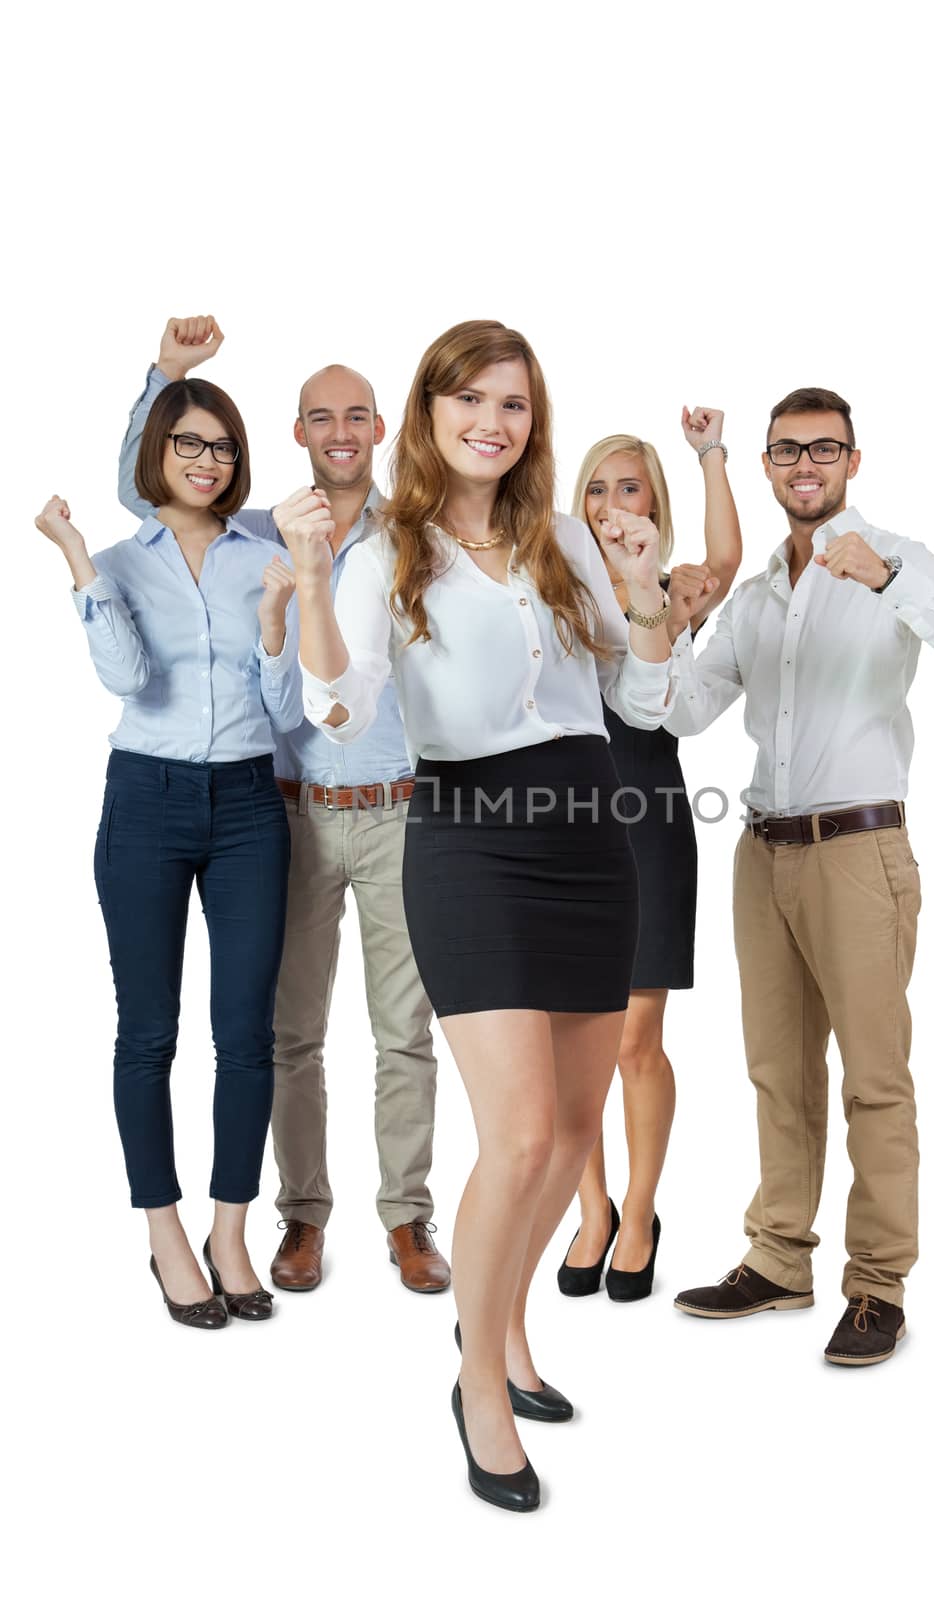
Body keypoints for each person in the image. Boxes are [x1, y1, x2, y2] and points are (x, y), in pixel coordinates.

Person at [276, 319, 676, 1511]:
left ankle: (499, 1333)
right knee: (513, 1139)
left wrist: (648, 583)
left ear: (529, 422)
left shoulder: (560, 539)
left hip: (587, 836)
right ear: (429, 412)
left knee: (564, 1134)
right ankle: (477, 1384)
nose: (490, 423)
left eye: (511, 405)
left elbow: (645, 695)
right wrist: (306, 579)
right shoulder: (387, 546)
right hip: (466, 839)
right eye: (468, 401)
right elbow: (336, 706)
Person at [667, 386, 934, 1364]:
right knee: (776, 1072)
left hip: (859, 854)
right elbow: (681, 713)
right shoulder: (755, 598)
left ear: (852, 461)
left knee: (871, 1076)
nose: (804, 465)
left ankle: (875, 1284)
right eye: (785, 451)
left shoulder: (889, 558)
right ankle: (777, 1260)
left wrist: (891, 576)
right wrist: (670, 624)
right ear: (767, 466)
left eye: (824, 449)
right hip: (760, 851)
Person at [117, 317, 449, 1295]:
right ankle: (300, 1215)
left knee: (404, 1030)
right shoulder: (249, 532)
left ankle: (407, 1216)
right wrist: (163, 379)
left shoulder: (414, 537)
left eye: (355, 415)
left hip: (397, 809)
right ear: (297, 432)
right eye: (320, 417)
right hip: (284, 813)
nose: (339, 431)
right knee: (287, 1031)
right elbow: (139, 491)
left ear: (380, 427)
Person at [39, 376, 303, 1328]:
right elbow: (127, 679)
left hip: (245, 802)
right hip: (144, 802)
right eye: (188, 443)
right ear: (156, 452)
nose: (206, 460)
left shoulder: (266, 553)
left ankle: (231, 1232)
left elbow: (286, 712)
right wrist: (76, 558)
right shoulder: (115, 558)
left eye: (222, 447)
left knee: (245, 1033)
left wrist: (276, 624)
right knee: (147, 1032)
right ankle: (164, 1231)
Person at [557, 411, 741, 1300]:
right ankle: (586, 1209)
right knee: (569, 1039)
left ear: (652, 503)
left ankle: (637, 1211)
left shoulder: (671, 588)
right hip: (556, 817)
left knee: (633, 1037)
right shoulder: (547, 579)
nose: (608, 502)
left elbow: (729, 556)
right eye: (594, 487)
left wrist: (710, 457)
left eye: (627, 486)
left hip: (647, 814)